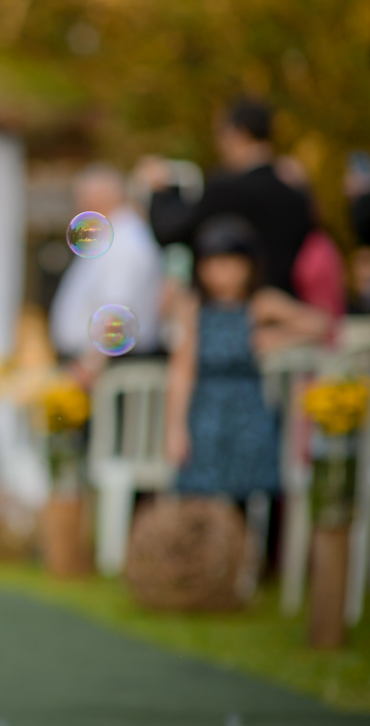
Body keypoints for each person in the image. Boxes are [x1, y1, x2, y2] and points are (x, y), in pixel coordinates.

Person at [165, 217, 326, 499]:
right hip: (205, 413)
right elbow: (181, 371)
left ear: (250, 267)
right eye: (213, 264)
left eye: (231, 263)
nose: (222, 273)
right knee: (200, 492)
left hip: (249, 414)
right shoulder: (192, 309)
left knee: (248, 493)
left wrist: (278, 338)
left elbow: (320, 324)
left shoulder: (259, 304)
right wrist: (175, 428)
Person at [141, 98, 311, 297]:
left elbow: (169, 231)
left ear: (239, 133)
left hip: (229, 314)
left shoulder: (224, 189)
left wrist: (161, 190)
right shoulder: (296, 196)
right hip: (283, 307)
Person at [49, 164, 163, 381]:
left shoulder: (124, 243)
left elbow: (117, 310)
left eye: (81, 197)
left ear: (100, 198)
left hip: (107, 371)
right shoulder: (113, 237)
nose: (77, 206)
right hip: (99, 365)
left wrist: (89, 365)